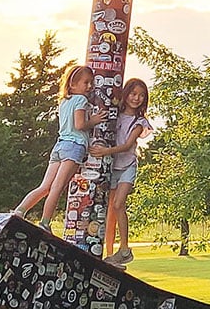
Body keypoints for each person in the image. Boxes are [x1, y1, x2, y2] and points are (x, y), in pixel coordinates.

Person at [16, 62, 97, 230]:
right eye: (86, 83)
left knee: (45, 186)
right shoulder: (81, 99)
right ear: (73, 84)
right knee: (57, 187)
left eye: (91, 82)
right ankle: (45, 223)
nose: (89, 86)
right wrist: (94, 121)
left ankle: (19, 211)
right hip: (74, 145)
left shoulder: (64, 102)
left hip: (60, 145)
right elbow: (80, 125)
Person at [90, 76, 155, 269]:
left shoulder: (139, 121)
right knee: (111, 210)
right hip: (112, 167)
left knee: (119, 204)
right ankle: (110, 254)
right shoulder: (115, 114)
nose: (137, 98)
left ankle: (125, 247)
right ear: (126, 95)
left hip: (127, 166)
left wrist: (105, 151)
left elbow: (127, 146)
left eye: (141, 95)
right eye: (134, 94)